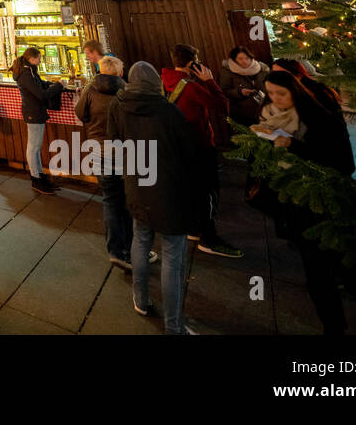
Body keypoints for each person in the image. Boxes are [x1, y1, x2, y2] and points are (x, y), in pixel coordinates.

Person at [260, 71, 356, 334]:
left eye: (280, 93)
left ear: (296, 91)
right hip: (301, 211)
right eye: (270, 93)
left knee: (353, 271)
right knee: (317, 277)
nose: (275, 99)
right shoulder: (273, 120)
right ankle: (333, 327)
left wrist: (293, 147)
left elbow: (343, 163)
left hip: (334, 208)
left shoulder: (322, 118)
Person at [107, 61, 205, 335]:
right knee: (173, 255)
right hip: (170, 189)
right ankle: (174, 326)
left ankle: (140, 300)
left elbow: (114, 142)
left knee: (140, 240)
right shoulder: (168, 111)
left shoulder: (118, 105)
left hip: (137, 184)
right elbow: (189, 154)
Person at [161, 44, 243, 258]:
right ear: (192, 63)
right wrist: (209, 81)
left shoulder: (164, 82)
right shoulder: (189, 86)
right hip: (200, 144)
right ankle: (208, 237)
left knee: (191, 189)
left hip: (178, 146)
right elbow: (221, 104)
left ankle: (194, 228)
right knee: (208, 190)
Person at [74, 55, 136, 268]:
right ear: (120, 72)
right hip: (124, 152)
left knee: (110, 201)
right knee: (129, 201)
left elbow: (80, 113)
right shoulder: (127, 91)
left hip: (98, 151)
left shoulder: (90, 91)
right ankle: (132, 248)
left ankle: (116, 251)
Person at [12, 46, 61, 193]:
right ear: (31, 58)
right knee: (33, 147)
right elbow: (40, 94)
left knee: (36, 146)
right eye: (38, 58)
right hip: (33, 111)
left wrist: (52, 84)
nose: (40, 61)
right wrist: (59, 86)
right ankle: (35, 178)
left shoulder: (29, 70)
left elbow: (39, 86)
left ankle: (40, 175)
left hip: (35, 110)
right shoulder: (26, 73)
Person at [219, 45, 270, 123]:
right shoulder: (228, 71)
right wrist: (240, 92)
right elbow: (224, 91)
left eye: (247, 58)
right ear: (234, 59)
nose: (244, 61)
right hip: (242, 113)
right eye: (240, 59)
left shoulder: (261, 68)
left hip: (265, 110)